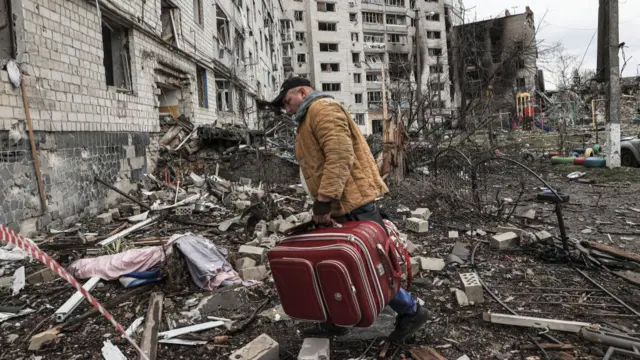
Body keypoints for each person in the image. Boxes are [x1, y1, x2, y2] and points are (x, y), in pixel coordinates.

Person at [271, 77, 429, 343]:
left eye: (288, 102)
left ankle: (412, 311)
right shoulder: (309, 116)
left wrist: (324, 201)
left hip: (352, 204)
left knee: (372, 266)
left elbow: (339, 155)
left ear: (302, 91)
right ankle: (335, 321)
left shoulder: (322, 109)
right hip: (341, 204)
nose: (287, 109)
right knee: (335, 261)